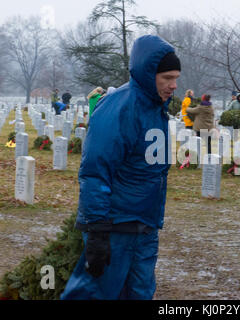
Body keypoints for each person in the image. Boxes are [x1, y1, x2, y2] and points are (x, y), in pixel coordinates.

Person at [61, 35, 181, 300]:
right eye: (167, 78)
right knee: (94, 295)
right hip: (115, 226)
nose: (173, 85)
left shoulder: (156, 107)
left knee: (140, 294)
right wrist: (97, 230)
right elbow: (95, 171)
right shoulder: (119, 107)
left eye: (176, 78)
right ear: (149, 74)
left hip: (145, 225)